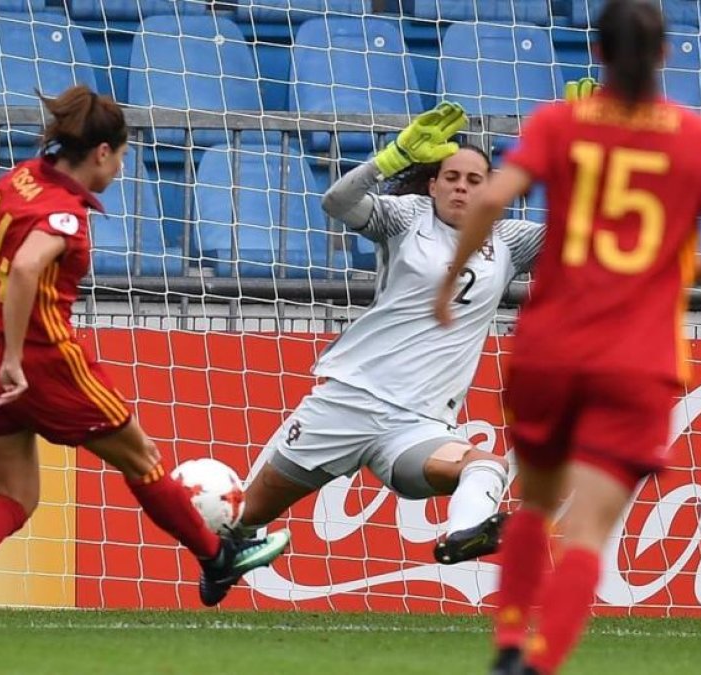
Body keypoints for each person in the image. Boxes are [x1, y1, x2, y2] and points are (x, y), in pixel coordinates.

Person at [434, 1, 701, 672]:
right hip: (638, 357)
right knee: (587, 531)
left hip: (550, 347)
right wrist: (669, 274)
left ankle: (510, 639)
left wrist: (449, 277)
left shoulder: (559, 122)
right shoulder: (697, 138)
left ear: (598, 56)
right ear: (665, 55)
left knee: (535, 503)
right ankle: (541, 661)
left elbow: (492, 200)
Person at [0, 85, 289, 631]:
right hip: (40, 362)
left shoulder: (16, 179)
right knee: (143, 458)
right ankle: (215, 559)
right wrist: (16, 357)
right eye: (123, 155)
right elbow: (24, 269)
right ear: (103, 153)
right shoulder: (65, 215)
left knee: (15, 497)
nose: (122, 167)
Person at [235, 98, 561, 565]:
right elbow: (337, 202)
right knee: (249, 512)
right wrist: (392, 157)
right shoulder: (408, 218)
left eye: (474, 180)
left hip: (417, 426)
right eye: (451, 178)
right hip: (349, 402)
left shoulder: (509, 241)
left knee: (485, 466)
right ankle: (222, 560)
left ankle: (464, 534)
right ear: (433, 185)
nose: (462, 188)